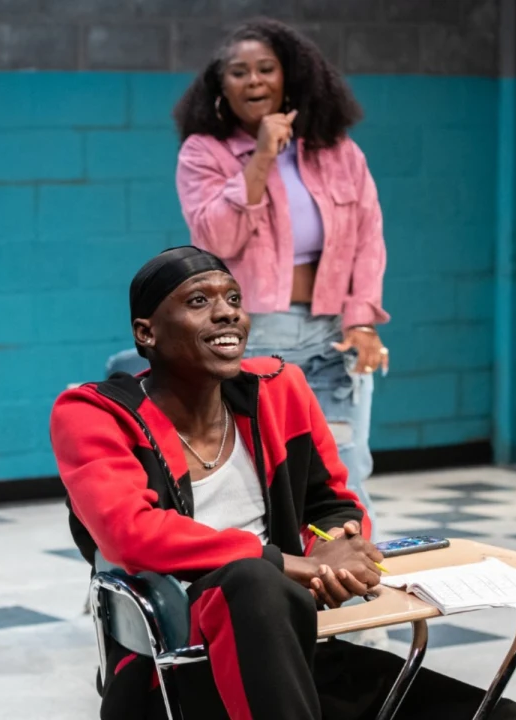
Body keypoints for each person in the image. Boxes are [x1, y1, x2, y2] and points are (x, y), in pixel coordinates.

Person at [50, 247, 516, 720]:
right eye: (199, 301)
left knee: (509, 717)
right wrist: (286, 565)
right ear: (146, 333)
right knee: (254, 581)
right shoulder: (97, 415)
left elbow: (332, 504)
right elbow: (131, 534)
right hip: (179, 669)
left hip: (295, 651)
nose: (226, 314)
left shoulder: (278, 390)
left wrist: (335, 552)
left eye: (234, 299)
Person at [173, 18, 388, 541]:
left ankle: (356, 604)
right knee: (259, 473)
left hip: (334, 335)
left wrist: (363, 321)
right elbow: (216, 240)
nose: (254, 81)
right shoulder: (205, 154)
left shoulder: (338, 151)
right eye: (239, 72)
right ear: (220, 87)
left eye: (265, 69)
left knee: (345, 468)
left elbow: (367, 237)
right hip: (255, 338)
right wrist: (263, 155)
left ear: (288, 77)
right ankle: (275, 591)